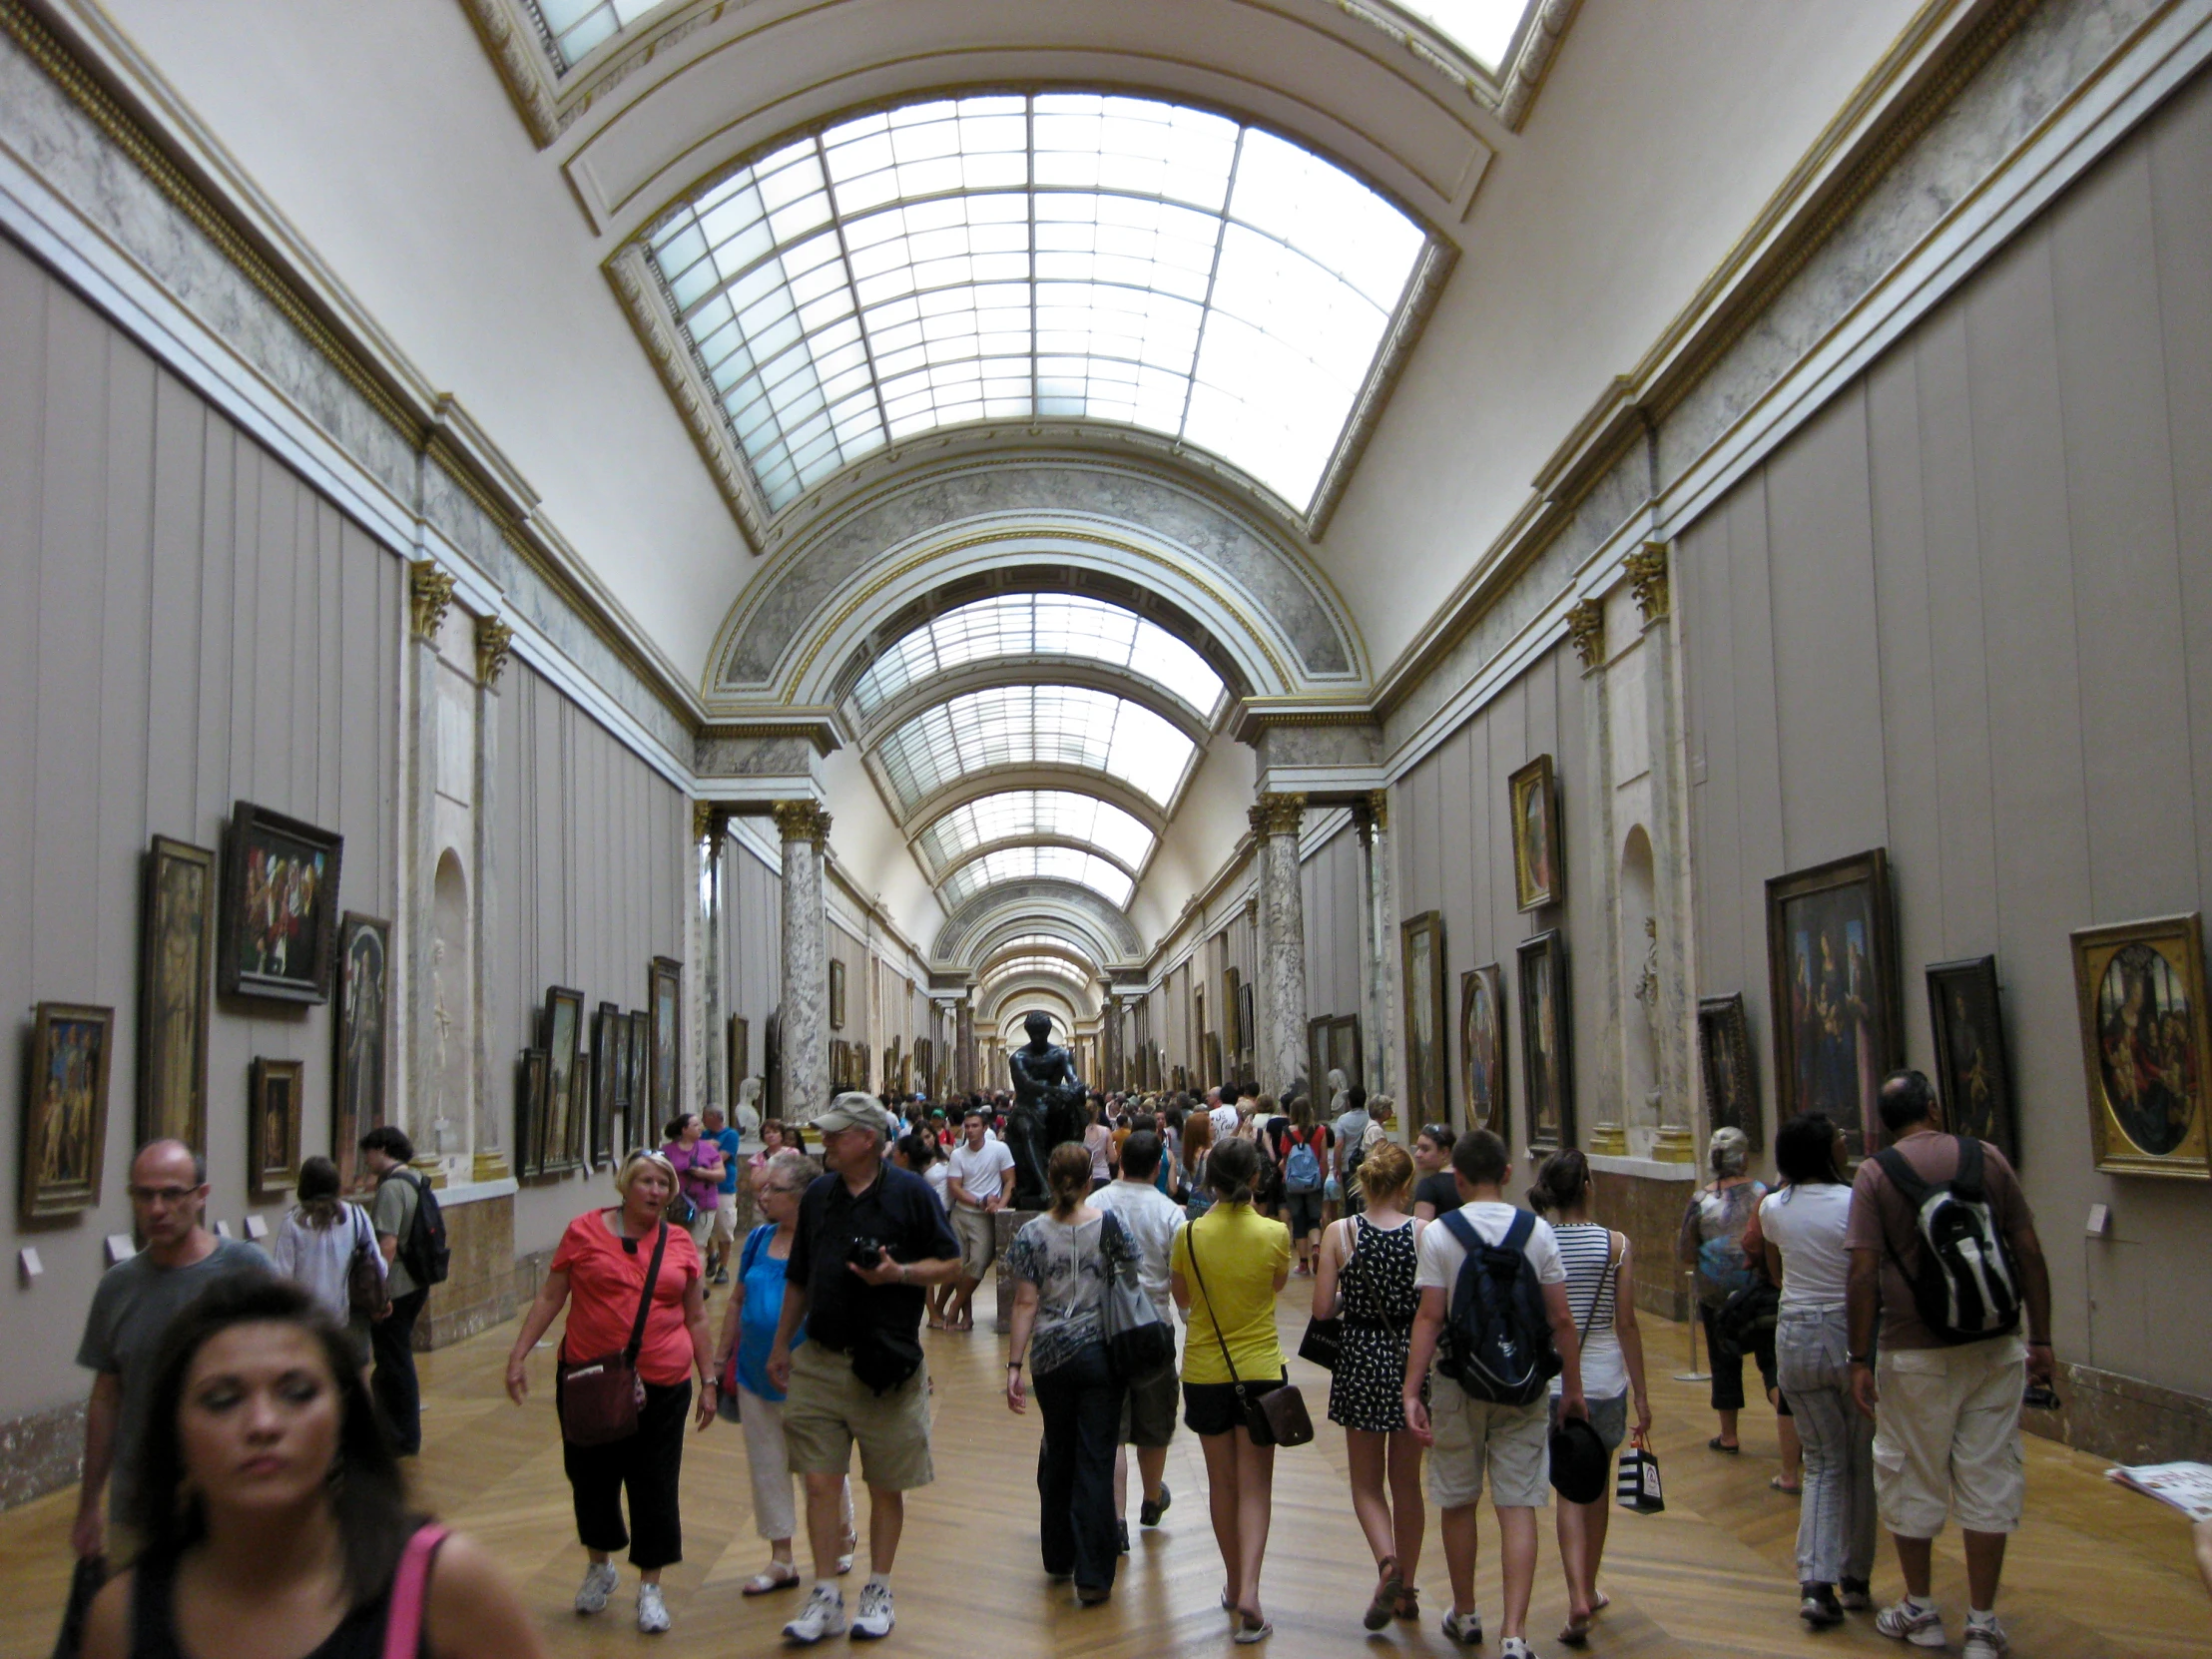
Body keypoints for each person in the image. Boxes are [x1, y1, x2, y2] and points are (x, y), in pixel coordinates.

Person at [79, 1275, 544, 1659]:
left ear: (343, 1417)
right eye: (222, 1399)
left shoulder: (443, 1587)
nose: (262, 1423)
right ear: (175, 1430)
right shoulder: (122, 1619)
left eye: (297, 1392)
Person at [1848, 1071, 2053, 1659]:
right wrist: (2043, 1340)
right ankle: (1983, 1623)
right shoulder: (1986, 1158)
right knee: (1989, 1475)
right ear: (1934, 1107)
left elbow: (1862, 1272)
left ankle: (1922, 1610)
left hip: (1913, 1350)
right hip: (1995, 1344)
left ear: (1886, 1123)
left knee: (1911, 1473)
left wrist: (1858, 1356)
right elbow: (2029, 1251)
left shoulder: (1875, 1173)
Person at [770, 1093, 962, 1644]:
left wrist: (898, 1274)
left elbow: (951, 1261)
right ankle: (826, 1593)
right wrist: (783, 1344)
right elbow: (800, 1276)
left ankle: (878, 1587)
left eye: (836, 1133)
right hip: (822, 1358)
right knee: (820, 1481)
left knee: (884, 1484)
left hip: (887, 1363)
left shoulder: (911, 1194)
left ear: (869, 1141)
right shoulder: (819, 1196)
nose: (825, 1141)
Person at [504, 1149, 718, 1634]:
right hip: (589, 1377)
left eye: (663, 1184)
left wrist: (708, 1380)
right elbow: (551, 1296)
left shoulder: (681, 1243)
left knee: (655, 1482)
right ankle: (600, 1565)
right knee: (590, 1477)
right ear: (624, 1185)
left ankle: (651, 1587)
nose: (654, 1191)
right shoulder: (582, 1231)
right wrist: (519, 1354)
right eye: (645, 1181)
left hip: (663, 1382)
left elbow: (697, 1317)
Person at [1403, 1129, 1586, 1659]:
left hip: (1458, 1382)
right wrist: (1572, 1388)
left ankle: (1466, 1614)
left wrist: (1412, 1390)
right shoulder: (1538, 1233)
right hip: (1525, 1383)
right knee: (1517, 1503)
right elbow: (1561, 1318)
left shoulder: (1439, 1234)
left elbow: (1430, 1317)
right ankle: (1515, 1634)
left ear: (1456, 1179)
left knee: (1459, 1500)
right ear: (1508, 1174)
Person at [72, 1140, 269, 1562]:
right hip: (138, 1510)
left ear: (200, 1196)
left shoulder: (247, 1270)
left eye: (171, 1194)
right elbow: (107, 1396)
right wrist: (89, 1505)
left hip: (229, 1507)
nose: (157, 1208)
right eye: (144, 1195)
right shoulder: (118, 1287)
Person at [1004, 1143, 1141, 1603]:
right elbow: (1129, 1280)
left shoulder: (1031, 1234)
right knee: (1096, 1460)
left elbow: (1025, 1302)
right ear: (1089, 1181)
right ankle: (1094, 1574)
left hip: (1050, 1358)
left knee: (1059, 1451)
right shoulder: (1110, 1225)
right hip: (1101, 1353)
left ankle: (1059, 1554)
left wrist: (1014, 1365)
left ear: (1048, 1176)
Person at [1169, 1135, 1292, 1644]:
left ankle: (1232, 1580)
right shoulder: (1275, 1234)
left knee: (1222, 1484)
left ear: (1209, 1182)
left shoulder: (1189, 1235)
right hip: (1261, 1369)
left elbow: (1183, 1297)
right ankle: (1251, 1591)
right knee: (1255, 1487)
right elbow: (1277, 1286)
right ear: (1257, 1178)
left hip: (1205, 1371)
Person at [716, 1151, 854, 1595]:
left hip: (812, 1374)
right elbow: (737, 1301)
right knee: (767, 1464)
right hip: (756, 1371)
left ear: (798, 1196)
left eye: (770, 1190)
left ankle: (841, 1536)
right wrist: (720, 1362)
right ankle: (781, 1557)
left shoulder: (827, 1240)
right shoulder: (758, 1239)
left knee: (821, 1465)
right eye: (761, 1189)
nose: (761, 1197)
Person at [1527, 1149, 1651, 1647]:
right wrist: (1643, 1393)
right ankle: (1591, 1586)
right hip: (1603, 1381)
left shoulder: (1540, 1243)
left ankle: (1576, 1589)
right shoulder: (1616, 1246)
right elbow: (1626, 1323)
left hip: (1556, 1381)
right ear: (1588, 1186)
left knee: (1566, 1489)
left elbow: (1542, 1316)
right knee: (1595, 1485)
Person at [1755, 1113, 1874, 1628]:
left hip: (1797, 1334)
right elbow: (1868, 1275)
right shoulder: (1856, 1204)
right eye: (1838, 1136)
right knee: (1858, 1458)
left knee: (1822, 1461)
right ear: (1823, 1150)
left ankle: (1815, 1584)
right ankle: (1855, 1577)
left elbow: (1777, 1273)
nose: (1845, 1140)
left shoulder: (1772, 1208)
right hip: (1849, 1333)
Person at [1312, 1140, 1427, 1631]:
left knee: (1365, 1483)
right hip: (1409, 1361)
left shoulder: (1342, 1233)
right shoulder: (1425, 1232)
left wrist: (1346, 1295)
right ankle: (1407, 1591)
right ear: (1405, 1187)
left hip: (1360, 1355)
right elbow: (1433, 1304)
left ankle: (1386, 1564)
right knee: (1407, 1484)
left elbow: (1321, 1310)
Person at [1093, 1129, 1185, 1546]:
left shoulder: (1094, 1205)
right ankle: (1151, 1497)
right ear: (1157, 1165)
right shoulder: (1170, 1213)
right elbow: (1177, 1276)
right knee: (1152, 1422)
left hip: (1103, 1324)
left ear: (1120, 1161)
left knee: (1112, 1426)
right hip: (1152, 1326)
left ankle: (1115, 1521)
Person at [1675, 1125, 1766, 1452]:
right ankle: (1791, 1435)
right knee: (1771, 1364)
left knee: (1723, 1362)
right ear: (1743, 1158)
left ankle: (1729, 1435)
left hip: (1715, 1295)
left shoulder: (1701, 1199)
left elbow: (1686, 1249)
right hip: (1760, 1292)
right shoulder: (1762, 1194)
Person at [272, 1154, 385, 1368]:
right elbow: (379, 1265)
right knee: (351, 1382)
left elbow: (282, 1276)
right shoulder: (357, 1215)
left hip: (306, 1320)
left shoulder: (293, 1222)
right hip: (349, 1316)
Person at [360, 1126, 434, 1457]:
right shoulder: (416, 1178)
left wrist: (379, 1291)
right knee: (397, 1357)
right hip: (416, 1280)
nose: (366, 1159)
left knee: (394, 1360)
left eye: (369, 1152)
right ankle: (400, 1431)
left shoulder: (391, 1188)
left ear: (382, 1149)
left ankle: (401, 1436)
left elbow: (386, 1244)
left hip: (399, 1285)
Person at [943, 1106, 1017, 1333]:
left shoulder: (999, 1150)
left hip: (985, 1218)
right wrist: (979, 1201)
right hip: (962, 1214)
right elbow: (955, 1187)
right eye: (967, 1126)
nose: (970, 1130)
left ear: (986, 1128)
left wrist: (1000, 1206)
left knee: (978, 1263)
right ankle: (967, 1318)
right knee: (960, 1266)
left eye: (975, 1126)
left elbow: (1009, 1181)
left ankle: (955, 1306)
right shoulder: (958, 1154)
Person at [661, 1113, 726, 1257]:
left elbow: (721, 1174)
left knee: (698, 1246)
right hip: (677, 1205)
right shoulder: (667, 1151)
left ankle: (697, 1278)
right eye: (695, 1125)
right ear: (684, 1129)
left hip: (704, 1204)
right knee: (677, 1245)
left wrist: (704, 1173)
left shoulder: (708, 1149)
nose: (700, 1128)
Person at [704, 1103, 745, 1285]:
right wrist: (706, 1145)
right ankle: (712, 1255)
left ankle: (724, 1267)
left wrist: (703, 1149)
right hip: (702, 1188)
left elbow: (719, 1158)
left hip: (723, 1188)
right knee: (702, 1228)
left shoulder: (730, 1135)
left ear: (714, 1117)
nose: (703, 1121)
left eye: (705, 1116)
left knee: (723, 1229)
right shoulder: (704, 1135)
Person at [1412, 1124, 1461, 1221]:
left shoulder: (1429, 1186)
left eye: (1425, 1149)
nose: (1417, 1154)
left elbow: (1421, 1230)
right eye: (1418, 1148)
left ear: (1444, 1152)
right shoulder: (1469, 1181)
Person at [1181, 1109, 1217, 1220]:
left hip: (1196, 1204)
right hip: (1211, 1205)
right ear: (1202, 1131)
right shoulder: (1207, 1154)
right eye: (1211, 1125)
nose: (1214, 1128)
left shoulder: (1190, 1153)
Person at [1084, 1096, 1117, 1191]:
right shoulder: (1105, 1131)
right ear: (1096, 1114)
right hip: (1103, 1175)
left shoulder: (1079, 1132)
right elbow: (1113, 1158)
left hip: (1084, 1176)